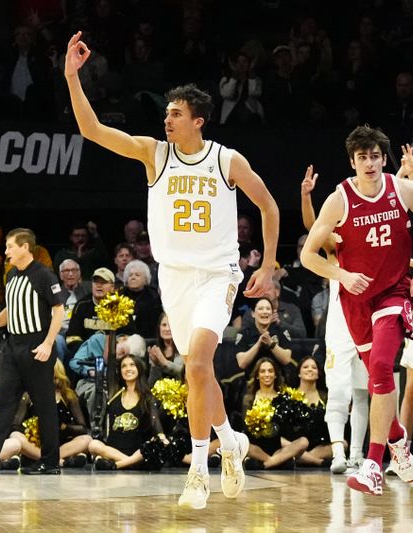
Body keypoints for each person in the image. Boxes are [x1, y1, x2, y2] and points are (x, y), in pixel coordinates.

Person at [65, 31, 279, 510]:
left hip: (217, 276)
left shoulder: (226, 159)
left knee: (199, 364)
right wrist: (71, 78)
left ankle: (199, 470)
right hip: (175, 279)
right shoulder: (153, 154)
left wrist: (266, 264)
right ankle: (231, 441)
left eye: (176, 114)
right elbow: (94, 131)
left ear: (197, 121)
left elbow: (267, 206)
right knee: (198, 376)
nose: (167, 119)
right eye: (166, 113)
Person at [300, 125, 413, 495]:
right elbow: (307, 255)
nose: (369, 163)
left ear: (384, 158)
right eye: (362, 157)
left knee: (381, 367)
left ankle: (372, 464)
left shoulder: (403, 189)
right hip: (355, 301)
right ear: (352, 162)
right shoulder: (339, 200)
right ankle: (398, 439)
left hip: (394, 294)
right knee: (378, 380)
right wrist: (342, 275)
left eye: (375, 156)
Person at [0, 228, 64, 475]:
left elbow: (59, 310)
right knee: (3, 400)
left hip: (36, 345)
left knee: (44, 406)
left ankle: (50, 462)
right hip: (12, 346)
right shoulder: (11, 276)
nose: (5, 251)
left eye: (9, 247)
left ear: (25, 248)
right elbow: (11, 311)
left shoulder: (43, 275)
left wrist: (49, 343)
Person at [300, 164, 369, 475]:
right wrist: (306, 197)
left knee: (362, 390)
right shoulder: (336, 244)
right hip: (340, 326)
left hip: (367, 321)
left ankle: (357, 453)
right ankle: (338, 452)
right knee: (339, 389)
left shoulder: (369, 240)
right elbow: (313, 228)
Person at [87, 355, 167, 470]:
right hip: (114, 450)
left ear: (139, 368)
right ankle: (131, 463)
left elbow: (155, 422)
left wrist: (161, 436)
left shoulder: (147, 397)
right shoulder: (114, 393)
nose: (127, 369)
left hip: (138, 451)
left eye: (132, 365)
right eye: (123, 366)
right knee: (93, 444)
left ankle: (117, 465)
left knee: (153, 444)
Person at [11, 360, 91, 468]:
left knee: (86, 439)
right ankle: (54, 461)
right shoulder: (29, 395)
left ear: (57, 372)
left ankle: (50, 459)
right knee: (15, 436)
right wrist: (30, 430)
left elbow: (82, 428)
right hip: (35, 446)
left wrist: (63, 427)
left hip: (61, 445)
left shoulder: (68, 395)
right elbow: (15, 425)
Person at [242, 357, 310, 469]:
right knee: (242, 444)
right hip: (255, 447)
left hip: (277, 448)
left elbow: (287, 429)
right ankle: (277, 462)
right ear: (257, 376)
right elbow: (245, 427)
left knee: (303, 442)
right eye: (263, 371)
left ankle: (267, 463)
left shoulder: (283, 398)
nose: (267, 374)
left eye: (270, 371)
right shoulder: (249, 398)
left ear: (275, 375)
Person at [147, 312, 183, 387]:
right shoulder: (156, 350)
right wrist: (156, 365)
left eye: (171, 325)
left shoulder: (184, 349)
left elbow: (183, 373)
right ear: (159, 327)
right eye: (164, 325)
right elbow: (151, 384)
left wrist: (164, 362)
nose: (167, 329)